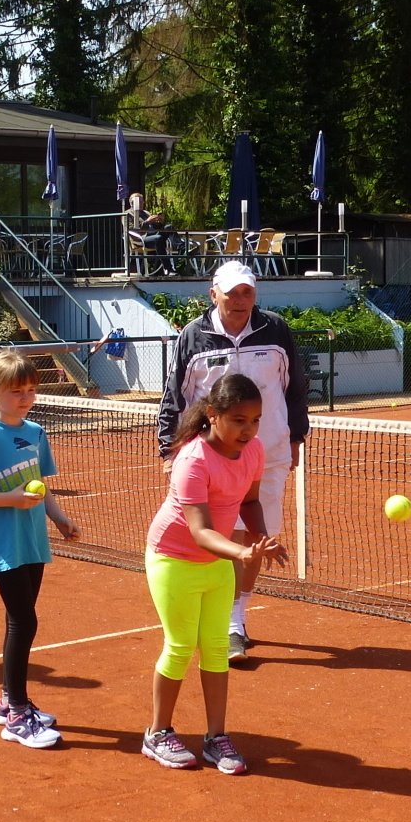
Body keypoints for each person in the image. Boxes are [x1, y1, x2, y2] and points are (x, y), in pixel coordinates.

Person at [155, 260, 309, 662]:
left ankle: (235, 618)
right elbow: (175, 394)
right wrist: (168, 448)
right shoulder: (193, 336)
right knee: (218, 534)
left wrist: (295, 435)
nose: (240, 300)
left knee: (256, 535)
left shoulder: (275, 329)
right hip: (210, 456)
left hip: (266, 452)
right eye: (231, 293)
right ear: (214, 295)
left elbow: (295, 387)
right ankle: (215, 613)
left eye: (247, 292)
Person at [142, 373, 287, 773]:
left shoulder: (254, 451)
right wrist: (242, 552)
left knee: (217, 646)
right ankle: (157, 733)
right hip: (173, 559)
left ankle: (215, 738)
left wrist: (262, 539)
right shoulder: (192, 460)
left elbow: (250, 502)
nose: (249, 430)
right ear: (212, 414)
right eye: (239, 420)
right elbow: (200, 531)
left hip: (218, 561)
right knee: (180, 645)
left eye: (255, 420)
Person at [0, 351, 81, 749]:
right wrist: (11, 498)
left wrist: (59, 518)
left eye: (30, 390)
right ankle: (18, 715)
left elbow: (41, 484)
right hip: (2, 543)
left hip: (32, 539)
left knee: (18, 620)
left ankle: (9, 700)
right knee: (25, 621)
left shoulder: (36, 433)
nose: (24, 398)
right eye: (15, 391)